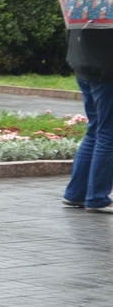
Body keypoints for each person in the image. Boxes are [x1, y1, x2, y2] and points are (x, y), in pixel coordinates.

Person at [62, 27, 113, 211]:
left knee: (95, 130)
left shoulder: (84, 8)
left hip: (83, 65)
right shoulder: (106, 10)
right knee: (108, 134)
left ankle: (75, 194)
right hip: (106, 70)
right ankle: (97, 198)